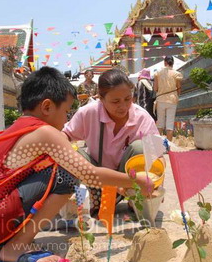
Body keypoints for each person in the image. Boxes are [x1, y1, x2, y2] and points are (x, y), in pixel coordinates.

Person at [0, 67, 151, 262]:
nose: (67, 118)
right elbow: (89, 175)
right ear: (47, 107)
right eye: (66, 111)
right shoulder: (45, 133)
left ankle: (6, 240)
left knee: (55, 170)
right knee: (66, 176)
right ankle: (15, 249)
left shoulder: (21, 126)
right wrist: (136, 181)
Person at [63, 69, 159, 215]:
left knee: (141, 147)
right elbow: (63, 136)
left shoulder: (142, 117)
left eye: (128, 99)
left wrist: (155, 185)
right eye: (115, 101)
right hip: (96, 180)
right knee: (73, 155)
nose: (123, 106)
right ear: (100, 98)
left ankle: (136, 198)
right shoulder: (88, 113)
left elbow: (157, 156)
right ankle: (96, 197)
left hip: (130, 183)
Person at [154, 56, 183, 141]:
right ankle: (168, 147)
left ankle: (158, 146)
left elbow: (155, 88)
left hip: (160, 100)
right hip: (172, 100)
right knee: (169, 125)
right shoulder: (177, 74)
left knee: (160, 124)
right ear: (172, 63)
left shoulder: (157, 73)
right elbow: (179, 88)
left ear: (165, 62)